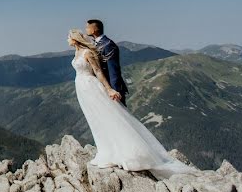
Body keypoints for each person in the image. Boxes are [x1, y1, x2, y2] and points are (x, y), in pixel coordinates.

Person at [67, 29, 195, 178]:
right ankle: (106, 150)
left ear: (74, 39)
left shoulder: (87, 53)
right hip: (83, 89)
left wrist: (109, 89)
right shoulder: (76, 53)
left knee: (107, 117)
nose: (67, 39)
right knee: (95, 119)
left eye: (68, 37)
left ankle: (125, 153)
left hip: (91, 86)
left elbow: (98, 72)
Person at [85, 19, 128, 106]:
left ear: (94, 30)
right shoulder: (95, 44)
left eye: (87, 27)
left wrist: (115, 90)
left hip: (111, 87)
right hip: (102, 86)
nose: (85, 29)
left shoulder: (108, 44)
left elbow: (113, 69)